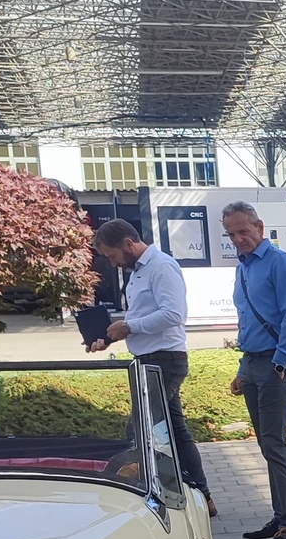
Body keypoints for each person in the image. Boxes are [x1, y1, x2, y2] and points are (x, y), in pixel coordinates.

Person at [88, 218, 216, 516]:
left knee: (140, 427)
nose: (113, 263)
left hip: (165, 360)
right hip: (150, 358)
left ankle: (143, 495)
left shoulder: (161, 266)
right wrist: (110, 336)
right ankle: (202, 496)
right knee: (176, 432)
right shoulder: (137, 272)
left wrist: (129, 327)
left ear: (128, 244)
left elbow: (174, 314)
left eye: (112, 256)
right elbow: (143, 316)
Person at [223, 200, 286, 539]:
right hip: (253, 364)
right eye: (231, 235)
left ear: (259, 226)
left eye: (243, 231)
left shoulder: (280, 262)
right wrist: (243, 370)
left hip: (276, 365)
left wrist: (280, 363)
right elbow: (247, 322)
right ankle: (279, 516)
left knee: (275, 446)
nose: (238, 239)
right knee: (266, 446)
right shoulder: (243, 268)